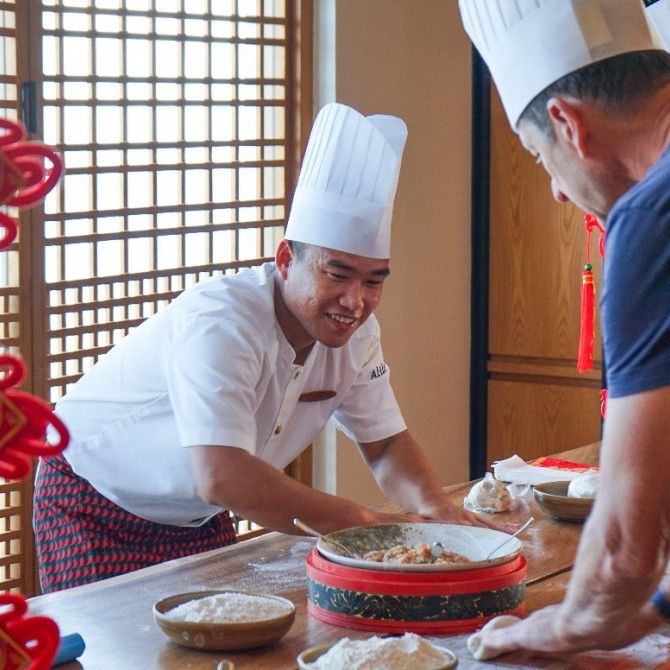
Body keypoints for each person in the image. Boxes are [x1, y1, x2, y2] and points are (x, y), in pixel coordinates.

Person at [34, 102, 507, 592]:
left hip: (197, 512)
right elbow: (222, 476)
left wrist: (437, 509)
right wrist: (370, 526)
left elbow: (385, 443)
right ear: (285, 259)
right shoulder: (223, 322)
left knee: (217, 633)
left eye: (373, 281)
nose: (355, 302)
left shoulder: (358, 334)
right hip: (93, 496)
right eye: (337, 275)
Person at [458, 0, 670, 659]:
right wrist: (651, 613)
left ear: (567, 124)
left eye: (538, 156)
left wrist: (547, 630)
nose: (554, 190)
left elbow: (624, 556)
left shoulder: (652, 216)